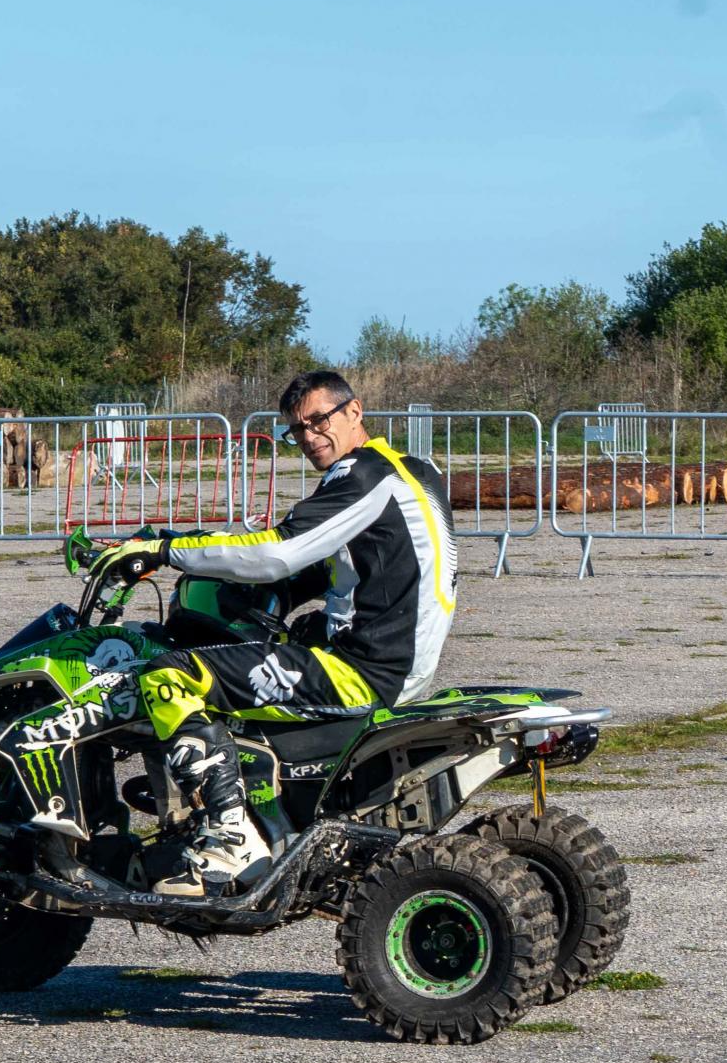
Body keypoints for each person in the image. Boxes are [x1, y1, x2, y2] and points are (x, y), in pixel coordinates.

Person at [91, 370, 458, 897]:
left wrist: (166, 549)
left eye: (319, 420)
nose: (309, 436)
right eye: (297, 429)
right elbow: (345, 563)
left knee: (169, 676)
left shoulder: (362, 476)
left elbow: (279, 551)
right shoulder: (413, 470)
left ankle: (231, 839)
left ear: (355, 411)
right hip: (397, 657)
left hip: (366, 670)